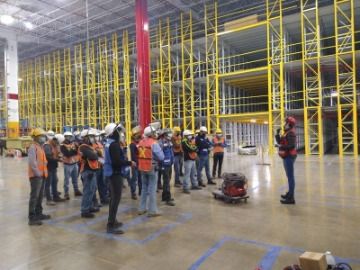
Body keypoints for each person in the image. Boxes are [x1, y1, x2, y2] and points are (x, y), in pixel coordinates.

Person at [104, 123, 135, 234]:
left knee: (113, 199)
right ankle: (110, 225)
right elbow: (117, 161)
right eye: (118, 131)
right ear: (113, 132)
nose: (120, 133)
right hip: (115, 173)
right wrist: (129, 163)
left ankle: (113, 220)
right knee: (115, 200)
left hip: (111, 173)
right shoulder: (114, 145)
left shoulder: (109, 143)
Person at [137, 125, 164, 217]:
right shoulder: (154, 143)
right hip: (151, 168)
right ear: (151, 134)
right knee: (152, 189)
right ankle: (152, 210)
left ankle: (142, 208)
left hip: (142, 167)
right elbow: (161, 157)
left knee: (144, 188)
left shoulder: (140, 142)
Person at [27, 128, 51, 226]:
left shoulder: (40, 147)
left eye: (43, 136)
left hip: (42, 175)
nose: (43, 138)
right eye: (41, 136)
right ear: (36, 137)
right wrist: (38, 173)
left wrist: (43, 173)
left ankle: (39, 213)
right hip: (36, 176)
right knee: (34, 196)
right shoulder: (33, 147)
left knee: (40, 196)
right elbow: (32, 163)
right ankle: (32, 217)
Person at [78, 129, 101, 218]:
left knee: (92, 190)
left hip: (92, 170)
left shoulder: (90, 147)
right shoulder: (83, 147)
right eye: (90, 136)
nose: (93, 138)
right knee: (87, 191)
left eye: (93, 136)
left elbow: (98, 154)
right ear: (85, 138)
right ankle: (84, 210)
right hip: (87, 171)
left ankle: (90, 206)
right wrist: (95, 153)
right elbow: (94, 156)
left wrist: (95, 153)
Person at [276, 116, 297, 205]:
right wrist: (277, 134)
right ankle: (289, 194)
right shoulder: (286, 132)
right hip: (286, 156)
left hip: (289, 156)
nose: (284, 124)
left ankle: (291, 198)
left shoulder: (291, 133)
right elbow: (280, 141)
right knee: (289, 176)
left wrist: (280, 147)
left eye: (286, 122)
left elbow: (292, 146)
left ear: (290, 124)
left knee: (290, 177)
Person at [43, 133, 66, 205]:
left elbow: (56, 153)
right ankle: (49, 199)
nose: (57, 144)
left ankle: (56, 197)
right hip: (48, 167)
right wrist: (58, 160)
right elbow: (48, 157)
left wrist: (59, 157)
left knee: (55, 181)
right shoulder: (47, 145)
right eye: (57, 142)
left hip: (53, 167)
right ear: (55, 140)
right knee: (48, 183)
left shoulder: (54, 145)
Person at [60, 131, 82, 200]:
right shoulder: (62, 145)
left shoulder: (73, 143)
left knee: (75, 178)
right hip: (68, 164)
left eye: (70, 136)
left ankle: (76, 190)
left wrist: (73, 151)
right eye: (67, 137)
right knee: (67, 180)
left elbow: (77, 150)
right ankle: (66, 193)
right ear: (65, 137)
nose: (69, 138)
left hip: (75, 163)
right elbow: (67, 154)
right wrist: (74, 151)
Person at [158, 129, 175, 206]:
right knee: (166, 181)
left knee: (168, 180)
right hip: (164, 165)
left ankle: (165, 196)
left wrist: (172, 161)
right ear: (164, 135)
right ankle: (167, 198)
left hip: (169, 164)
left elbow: (171, 152)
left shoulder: (169, 141)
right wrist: (162, 164)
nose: (170, 135)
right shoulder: (160, 142)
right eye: (169, 134)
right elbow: (159, 154)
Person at [93, 130, 109, 205]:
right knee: (94, 185)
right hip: (95, 167)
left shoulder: (100, 143)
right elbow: (96, 155)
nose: (97, 138)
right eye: (95, 136)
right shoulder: (92, 145)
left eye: (97, 136)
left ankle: (104, 198)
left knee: (102, 184)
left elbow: (103, 154)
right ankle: (94, 201)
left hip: (101, 166)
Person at [130, 126, 142, 196]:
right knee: (134, 179)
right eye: (137, 136)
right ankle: (133, 192)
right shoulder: (132, 145)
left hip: (140, 163)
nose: (139, 137)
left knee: (140, 178)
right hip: (135, 164)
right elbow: (133, 155)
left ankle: (141, 191)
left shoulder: (139, 143)